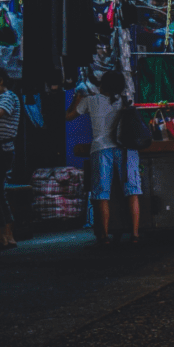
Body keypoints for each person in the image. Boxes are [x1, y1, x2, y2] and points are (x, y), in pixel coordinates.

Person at [65, 70, 143, 247]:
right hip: (126, 149)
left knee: (102, 194)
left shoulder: (90, 101)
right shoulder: (125, 102)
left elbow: (68, 117)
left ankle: (104, 236)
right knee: (132, 191)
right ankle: (135, 234)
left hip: (101, 150)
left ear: (103, 84)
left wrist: (76, 99)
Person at [0, 68, 19, 250]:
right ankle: (6, 234)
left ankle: (7, 233)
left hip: (3, 149)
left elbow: (0, 113)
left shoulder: (8, 97)